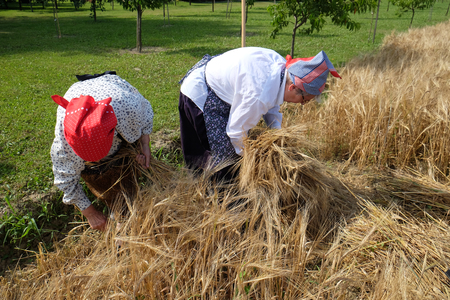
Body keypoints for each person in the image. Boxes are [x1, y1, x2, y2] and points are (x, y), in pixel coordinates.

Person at [178, 47, 341, 180]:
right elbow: (235, 132)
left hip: (218, 86)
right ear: (292, 87)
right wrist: (251, 158)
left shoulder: (282, 71)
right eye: (305, 100)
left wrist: (276, 133)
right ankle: (217, 207)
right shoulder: (258, 94)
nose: (303, 104)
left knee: (227, 162)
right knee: (224, 162)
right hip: (202, 95)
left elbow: (272, 101)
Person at [50, 72, 154, 232]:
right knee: (97, 175)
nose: (100, 161)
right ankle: (116, 209)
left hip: (114, 96)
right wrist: (90, 213)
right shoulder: (64, 143)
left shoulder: (127, 108)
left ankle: (126, 210)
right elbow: (65, 179)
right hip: (84, 100)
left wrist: (144, 145)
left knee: (127, 164)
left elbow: (145, 116)